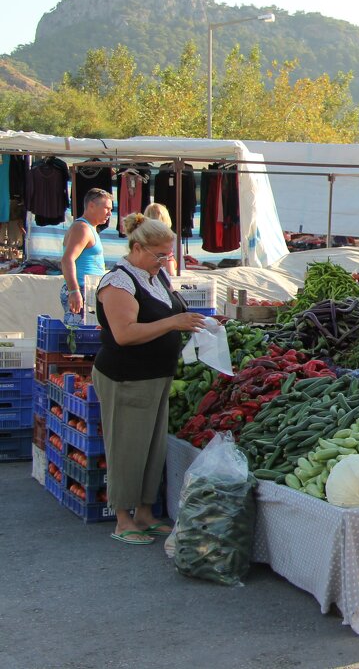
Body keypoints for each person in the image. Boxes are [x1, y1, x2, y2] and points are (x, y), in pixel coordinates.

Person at [93, 214, 207, 544]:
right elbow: (125, 334)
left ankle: (145, 513)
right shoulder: (118, 281)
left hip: (156, 375)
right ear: (138, 247)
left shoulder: (155, 277)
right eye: (159, 255)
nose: (164, 261)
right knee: (127, 446)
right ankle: (123, 519)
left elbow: (170, 313)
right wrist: (173, 324)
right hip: (125, 376)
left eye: (167, 255)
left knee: (152, 448)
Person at [60, 188, 113, 324]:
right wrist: (74, 290)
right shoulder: (82, 228)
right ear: (91, 206)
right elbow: (67, 259)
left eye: (111, 209)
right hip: (81, 288)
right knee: (78, 335)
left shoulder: (91, 228)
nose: (109, 213)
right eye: (106, 208)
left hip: (90, 288)